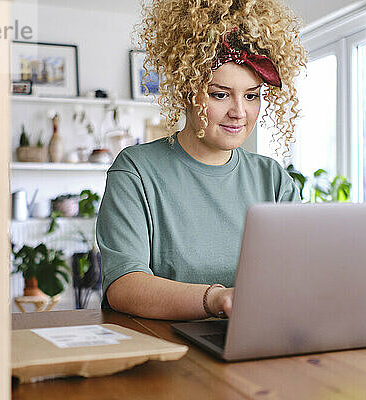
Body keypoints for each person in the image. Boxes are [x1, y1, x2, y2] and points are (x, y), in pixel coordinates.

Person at [96, 0, 306, 320]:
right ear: (186, 93)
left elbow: (300, 272)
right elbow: (124, 285)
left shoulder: (273, 178)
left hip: (254, 341)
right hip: (164, 347)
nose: (239, 112)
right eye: (219, 94)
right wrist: (216, 299)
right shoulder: (136, 170)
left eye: (251, 95)